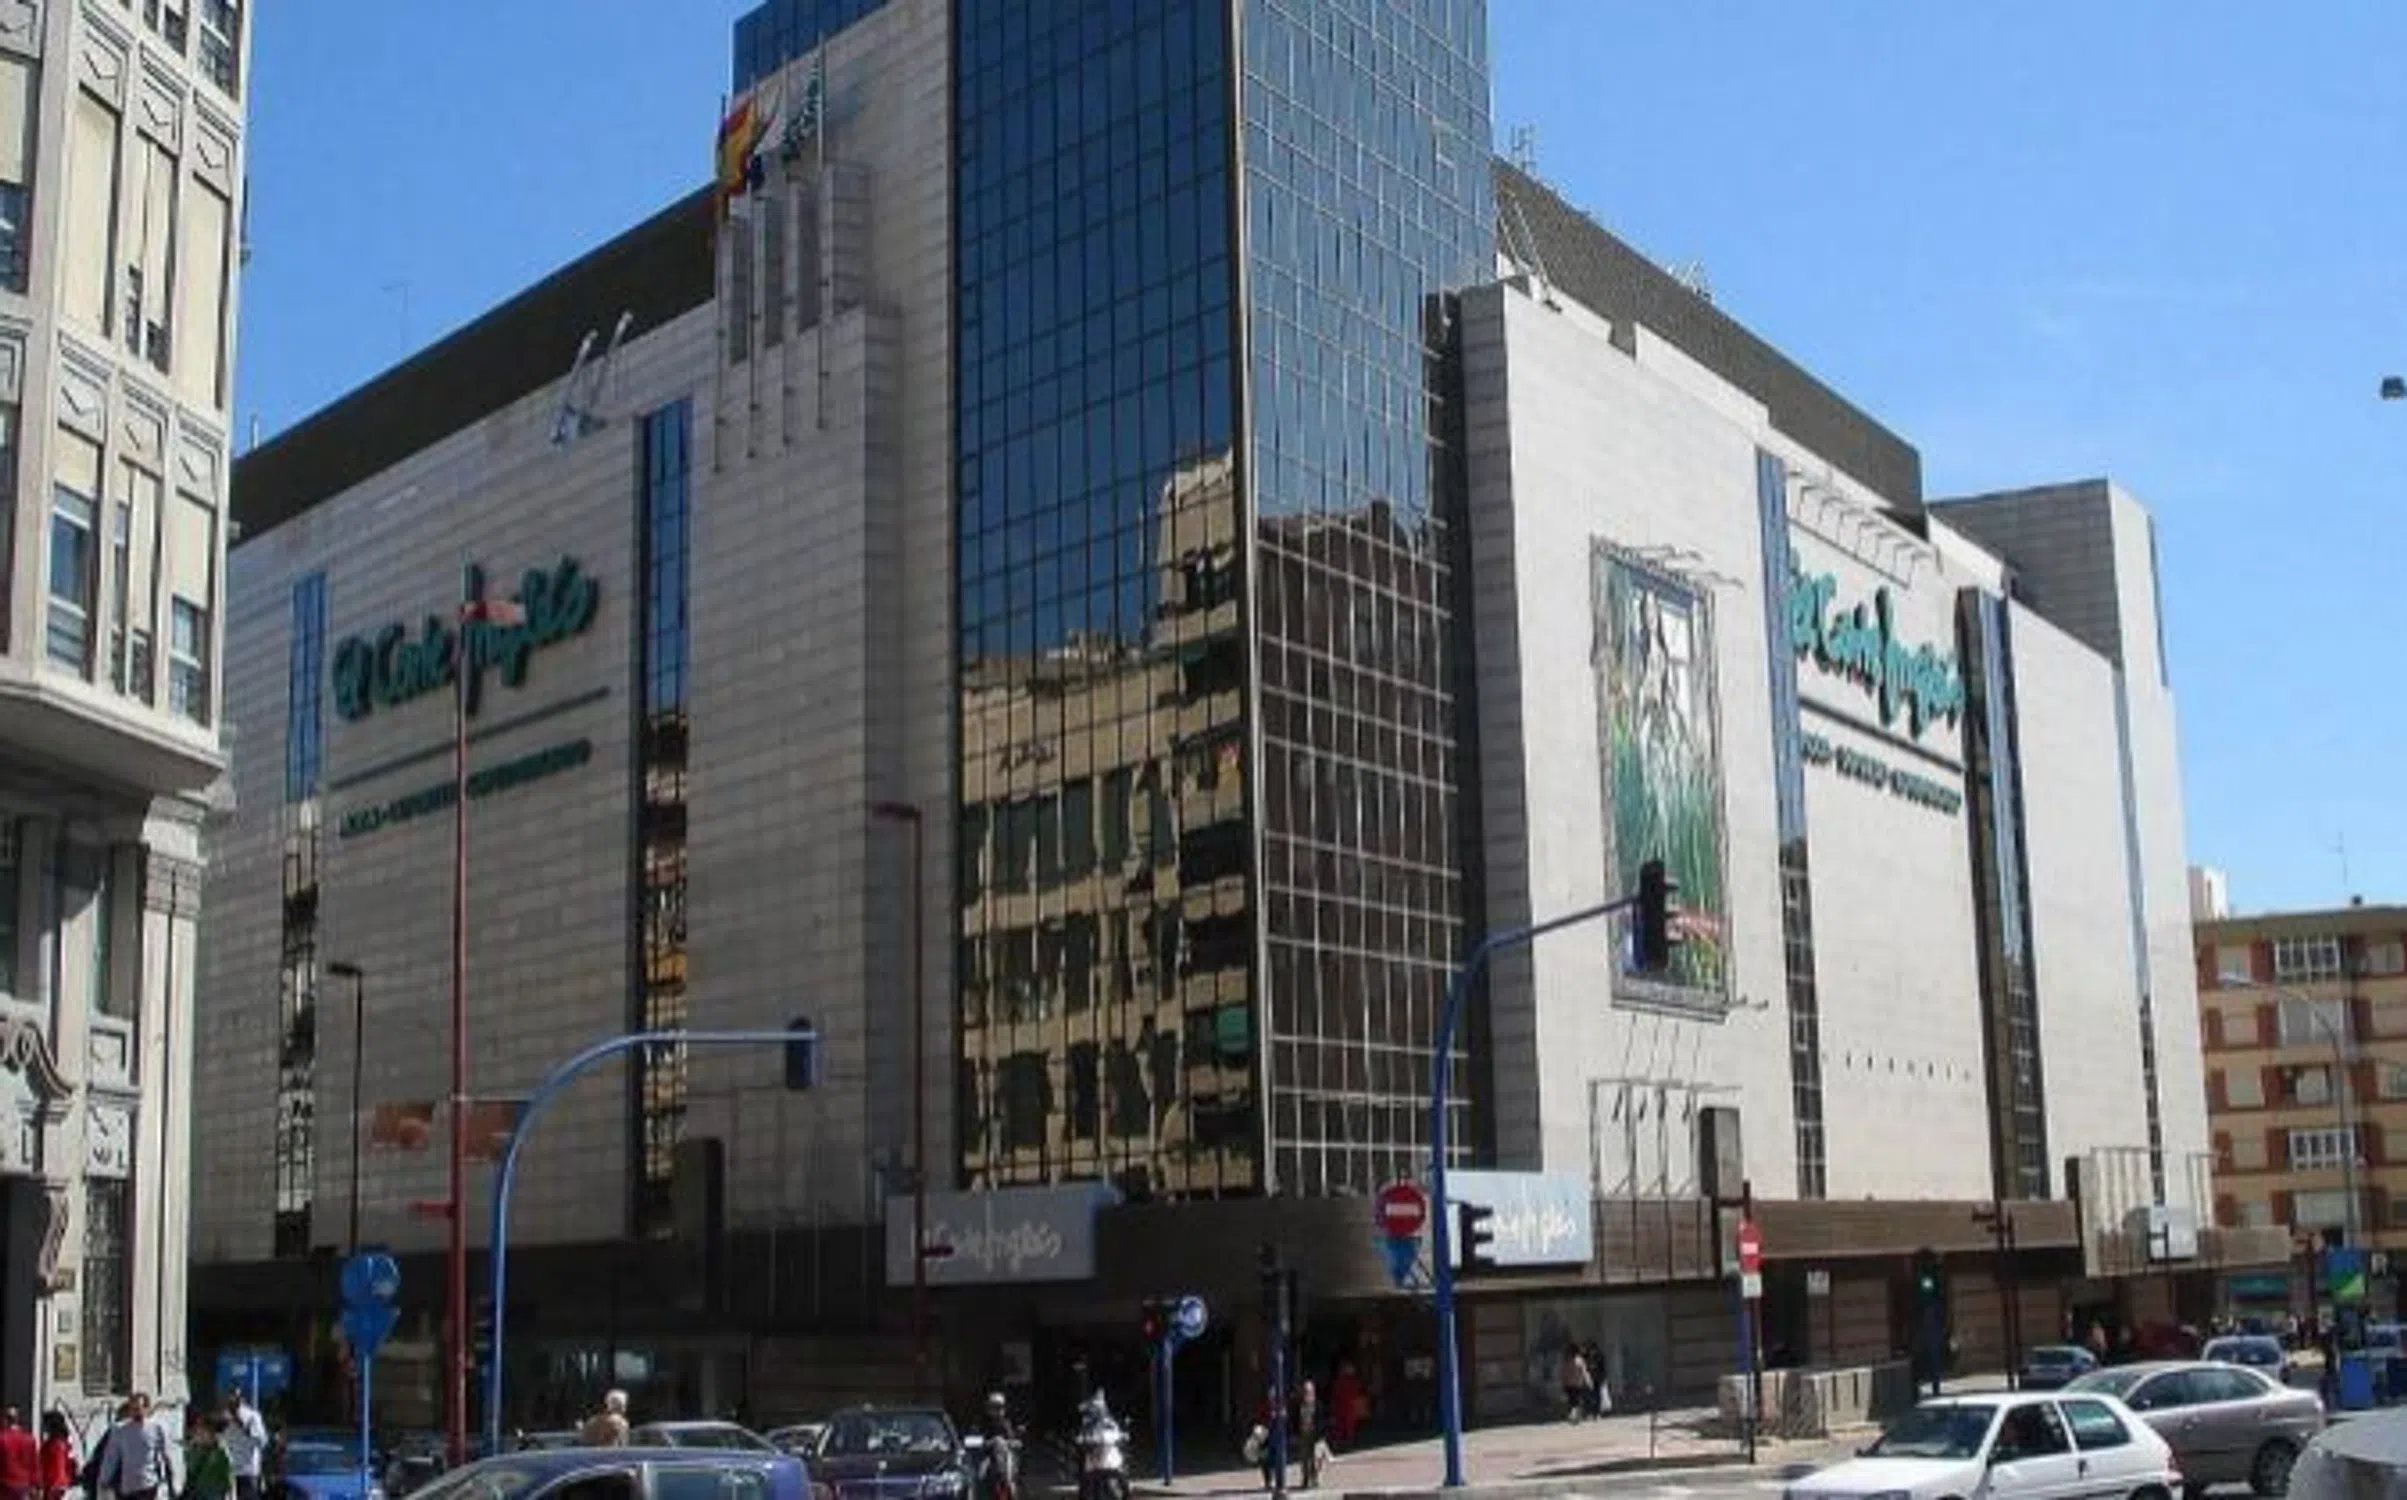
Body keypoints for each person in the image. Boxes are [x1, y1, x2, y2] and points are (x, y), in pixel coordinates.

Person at [94, 1395, 171, 1500]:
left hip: (148, 1484)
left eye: (138, 1409)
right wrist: (104, 1478)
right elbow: (111, 1457)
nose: (136, 1412)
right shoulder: (120, 1430)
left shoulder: (157, 1428)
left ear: (147, 1409)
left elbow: (166, 1455)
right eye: (133, 1409)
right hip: (127, 1487)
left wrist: (169, 1481)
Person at [222, 1385, 267, 1500]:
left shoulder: (252, 1416)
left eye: (235, 1398)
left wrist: (240, 1424)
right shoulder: (225, 1419)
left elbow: (261, 1441)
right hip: (229, 1471)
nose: (231, 1402)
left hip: (248, 1471)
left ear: (241, 1399)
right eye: (229, 1398)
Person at [974, 1393, 1017, 1500]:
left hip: (1004, 1455)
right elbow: (977, 1438)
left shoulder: (1006, 1423)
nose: (998, 1410)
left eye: (1000, 1407)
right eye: (995, 1407)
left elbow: (1011, 1438)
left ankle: (1011, 1493)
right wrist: (991, 1442)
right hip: (987, 1455)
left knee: (1010, 1477)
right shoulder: (982, 1422)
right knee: (980, 1476)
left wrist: (1010, 1443)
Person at [184, 1416, 232, 1500]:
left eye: (201, 1432)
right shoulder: (191, 1452)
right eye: (197, 1432)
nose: (198, 1435)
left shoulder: (221, 1453)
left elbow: (228, 1483)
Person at [0, 1407, 36, 1500]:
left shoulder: (2, 1438)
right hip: (24, 1482)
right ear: (18, 1419)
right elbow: (34, 1463)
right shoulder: (29, 1439)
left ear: (5, 1419)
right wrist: (36, 1484)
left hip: (5, 1483)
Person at [1292, 1382, 1320, 1491]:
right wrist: (1295, 1433)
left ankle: (1314, 1478)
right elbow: (1295, 1419)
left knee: (1314, 1457)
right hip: (1303, 1433)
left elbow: (1321, 1419)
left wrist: (1321, 1434)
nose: (1307, 1394)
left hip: (1314, 1433)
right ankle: (1305, 1479)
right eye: (1305, 1392)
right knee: (1304, 1457)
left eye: (1309, 1391)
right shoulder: (1299, 1405)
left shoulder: (1317, 1405)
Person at [37, 1413, 72, 1500]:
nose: (43, 1427)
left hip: (54, 1487)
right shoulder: (61, 1443)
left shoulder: (56, 1445)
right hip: (53, 1485)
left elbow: (58, 1467)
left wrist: (55, 1486)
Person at [1558, 1346, 1593, 1425]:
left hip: (1568, 1384)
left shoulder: (1566, 1360)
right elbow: (1584, 1372)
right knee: (1576, 1402)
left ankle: (1573, 1416)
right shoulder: (1579, 1360)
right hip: (1577, 1384)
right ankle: (1574, 1416)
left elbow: (1563, 1373)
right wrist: (1589, 1382)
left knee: (1571, 1401)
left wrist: (1562, 1383)